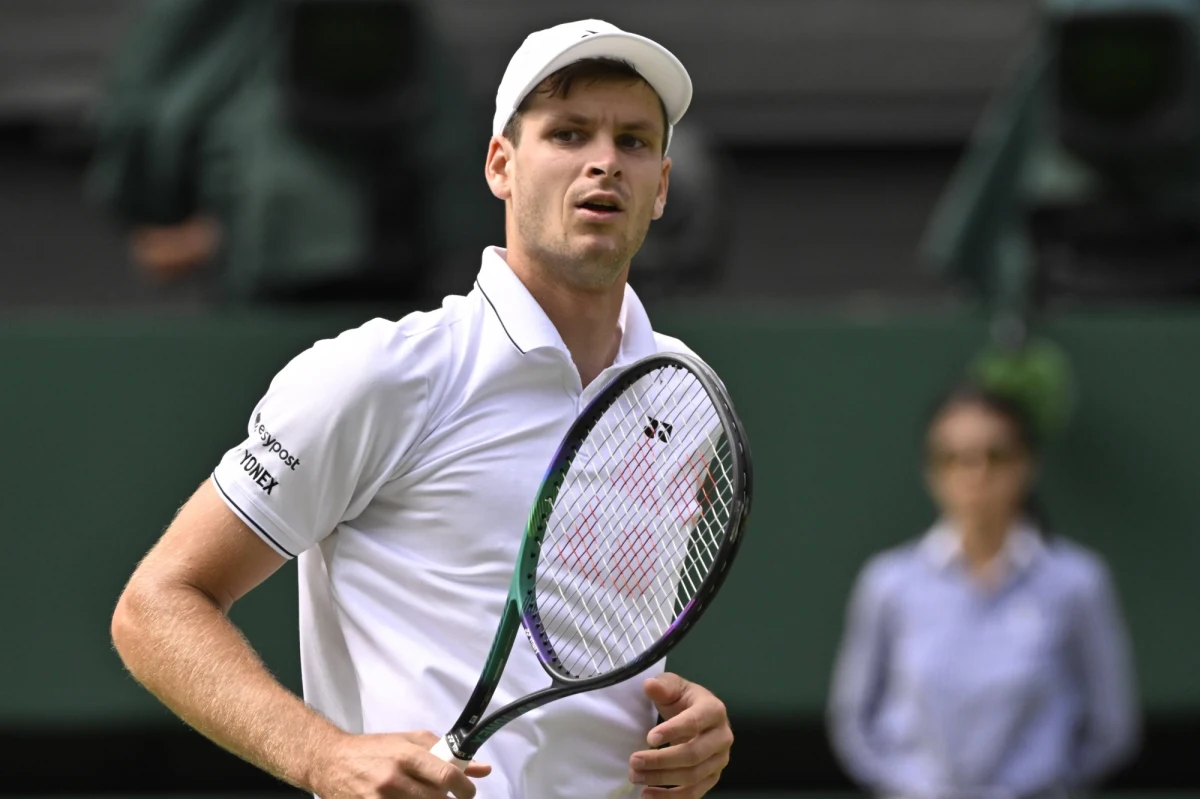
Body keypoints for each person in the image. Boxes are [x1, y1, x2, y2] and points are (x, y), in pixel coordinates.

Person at [110, 19, 733, 799]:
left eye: (635, 142)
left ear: (663, 186)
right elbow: (157, 604)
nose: (605, 161)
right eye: (569, 134)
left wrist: (689, 731)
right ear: (501, 166)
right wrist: (321, 754)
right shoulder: (380, 374)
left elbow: (605, 652)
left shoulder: (686, 394)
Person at [828, 383, 1140, 799]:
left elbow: (1111, 727)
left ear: (1027, 465)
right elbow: (853, 722)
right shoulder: (888, 583)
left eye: (994, 456)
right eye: (954, 459)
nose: (975, 475)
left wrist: (1045, 785)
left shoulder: (1078, 583)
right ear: (932, 472)